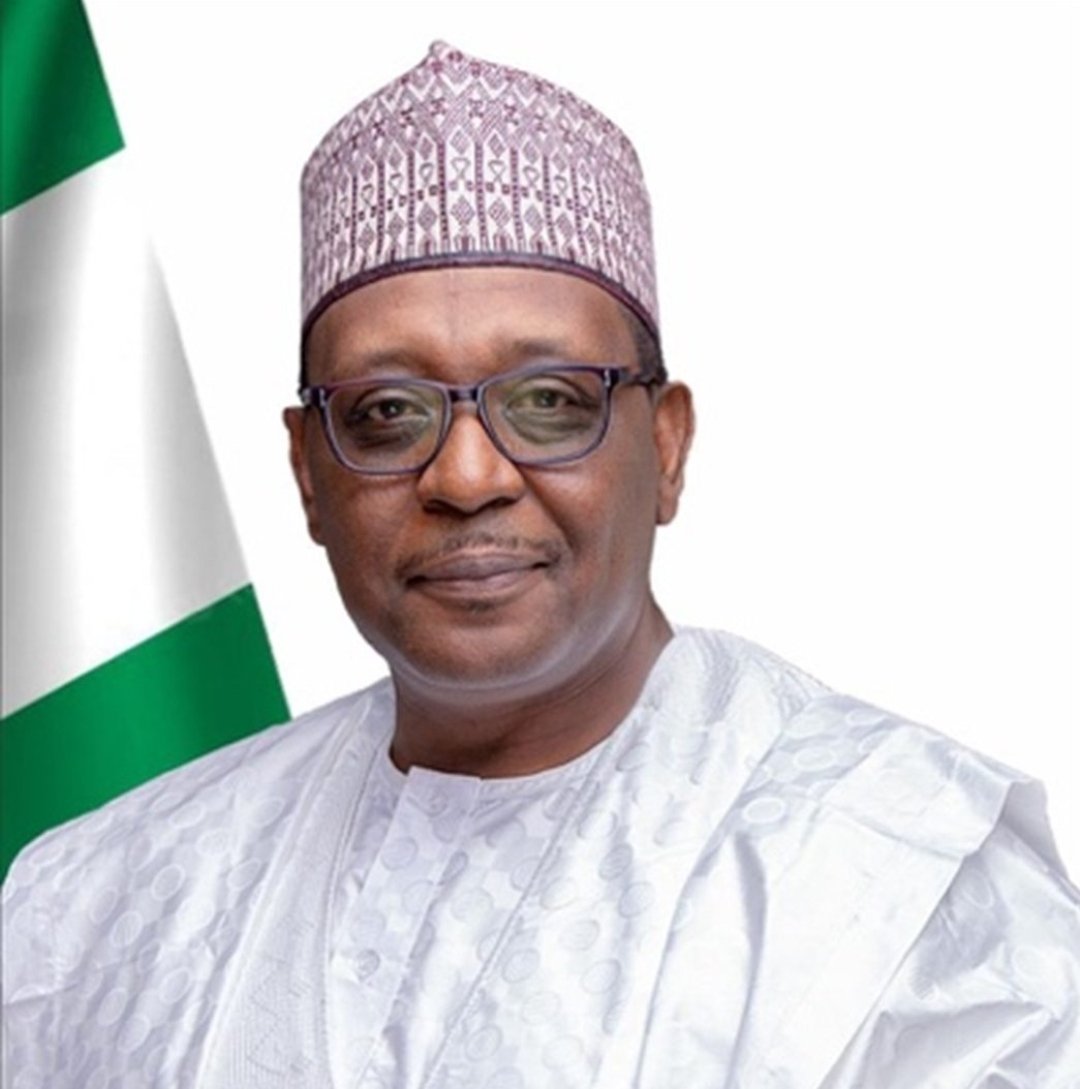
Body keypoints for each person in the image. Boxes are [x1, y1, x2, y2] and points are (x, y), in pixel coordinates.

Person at [3, 41, 1078, 1089]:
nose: (467, 475)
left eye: (549, 402)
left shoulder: (891, 878)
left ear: (666, 447)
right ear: (307, 474)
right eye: (387, 412)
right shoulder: (103, 902)